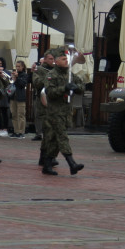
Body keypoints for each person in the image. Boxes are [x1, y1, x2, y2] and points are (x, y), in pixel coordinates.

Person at [40, 47, 86, 175]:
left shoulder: (70, 74)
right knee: (62, 137)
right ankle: (72, 163)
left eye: (67, 59)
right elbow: (50, 92)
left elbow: (82, 86)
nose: (66, 61)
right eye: (63, 59)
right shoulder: (51, 75)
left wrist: (76, 88)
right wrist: (64, 88)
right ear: (56, 61)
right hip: (55, 112)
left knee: (55, 139)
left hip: (66, 111)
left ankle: (47, 165)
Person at [30, 52, 54, 143]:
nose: (52, 61)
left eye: (53, 59)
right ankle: (39, 133)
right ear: (45, 59)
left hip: (52, 95)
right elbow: (36, 82)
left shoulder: (56, 70)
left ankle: (50, 133)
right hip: (41, 95)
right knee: (39, 115)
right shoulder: (39, 69)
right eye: (50, 59)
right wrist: (47, 78)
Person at [9, 59, 30, 138]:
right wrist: (12, 78)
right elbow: (10, 82)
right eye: (16, 66)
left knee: (21, 115)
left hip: (20, 97)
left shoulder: (24, 75)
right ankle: (16, 131)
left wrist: (17, 78)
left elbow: (22, 84)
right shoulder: (14, 74)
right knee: (14, 114)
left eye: (19, 66)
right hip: (13, 97)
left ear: (22, 67)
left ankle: (21, 132)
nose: (17, 68)